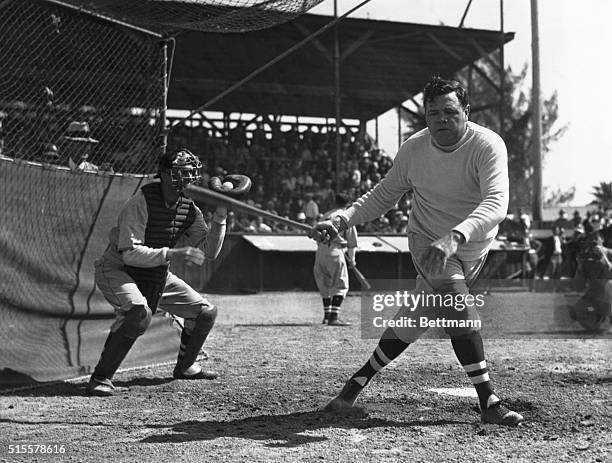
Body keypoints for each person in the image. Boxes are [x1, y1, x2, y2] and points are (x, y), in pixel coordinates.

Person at [313, 76, 523, 426]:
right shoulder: (414, 149)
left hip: (470, 247)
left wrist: (456, 236)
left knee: (415, 318)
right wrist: (342, 219)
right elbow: (383, 194)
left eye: (450, 111)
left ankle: (350, 390)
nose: (441, 119)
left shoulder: (487, 145)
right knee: (460, 310)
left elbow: (497, 202)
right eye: (433, 113)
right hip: (427, 243)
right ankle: (489, 401)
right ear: (426, 116)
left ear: (466, 112)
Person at [87, 149, 227, 396]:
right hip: (118, 268)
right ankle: (101, 377)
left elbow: (209, 251)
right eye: (181, 173)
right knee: (138, 313)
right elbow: (130, 253)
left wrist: (221, 216)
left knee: (205, 313)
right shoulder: (142, 200)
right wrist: (172, 254)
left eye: (190, 173)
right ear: (164, 174)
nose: (188, 178)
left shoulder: (189, 208)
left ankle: (186, 367)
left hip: (156, 274)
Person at [312, 193, 358, 326]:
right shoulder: (345, 217)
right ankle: (333, 317)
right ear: (348, 204)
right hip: (335, 250)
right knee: (341, 284)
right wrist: (352, 259)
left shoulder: (325, 216)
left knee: (324, 283)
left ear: (334, 202)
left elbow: (315, 235)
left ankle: (326, 316)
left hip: (320, 251)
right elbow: (352, 243)